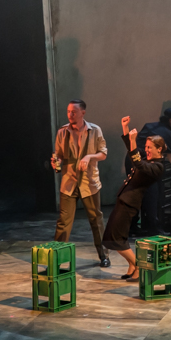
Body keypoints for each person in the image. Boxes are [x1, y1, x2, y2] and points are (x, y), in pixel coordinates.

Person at [102, 119, 168, 279]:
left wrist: (133, 139)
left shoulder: (157, 167)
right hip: (123, 200)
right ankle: (132, 266)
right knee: (111, 237)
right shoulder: (147, 160)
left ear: (159, 149)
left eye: (150, 148)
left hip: (130, 203)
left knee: (116, 239)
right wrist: (125, 129)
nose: (147, 150)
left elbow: (138, 163)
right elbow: (134, 152)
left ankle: (138, 265)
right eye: (146, 147)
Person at [50, 99, 110, 268]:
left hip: (89, 183)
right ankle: (55, 260)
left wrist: (89, 156)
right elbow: (58, 155)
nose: (70, 114)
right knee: (63, 222)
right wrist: (56, 162)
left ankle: (104, 255)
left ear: (83, 113)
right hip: (69, 183)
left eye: (74, 112)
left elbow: (103, 153)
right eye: (68, 111)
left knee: (96, 220)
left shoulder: (95, 130)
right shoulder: (62, 132)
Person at [133, 108, 171, 236]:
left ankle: (133, 227)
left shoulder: (150, 126)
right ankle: (154, 228)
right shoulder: (167, 133)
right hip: (146, 165)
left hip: (132, 161)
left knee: (137, 195)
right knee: (152, 196)